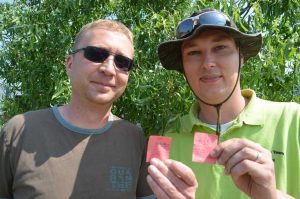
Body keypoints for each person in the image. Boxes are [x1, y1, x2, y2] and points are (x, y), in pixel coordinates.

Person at [147, 8, 299, 199]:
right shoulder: (165, 137)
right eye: (194, 52)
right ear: (183, 67)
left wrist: (271, 196)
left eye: (220, 48)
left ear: (241, 57)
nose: (208, 63)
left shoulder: (293, 120)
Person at [0, 19, 156, 199]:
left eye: (122, 62)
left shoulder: (135, 139)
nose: (109, 69)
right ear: (69, 64)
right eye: (96, 54)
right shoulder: (19, 131)